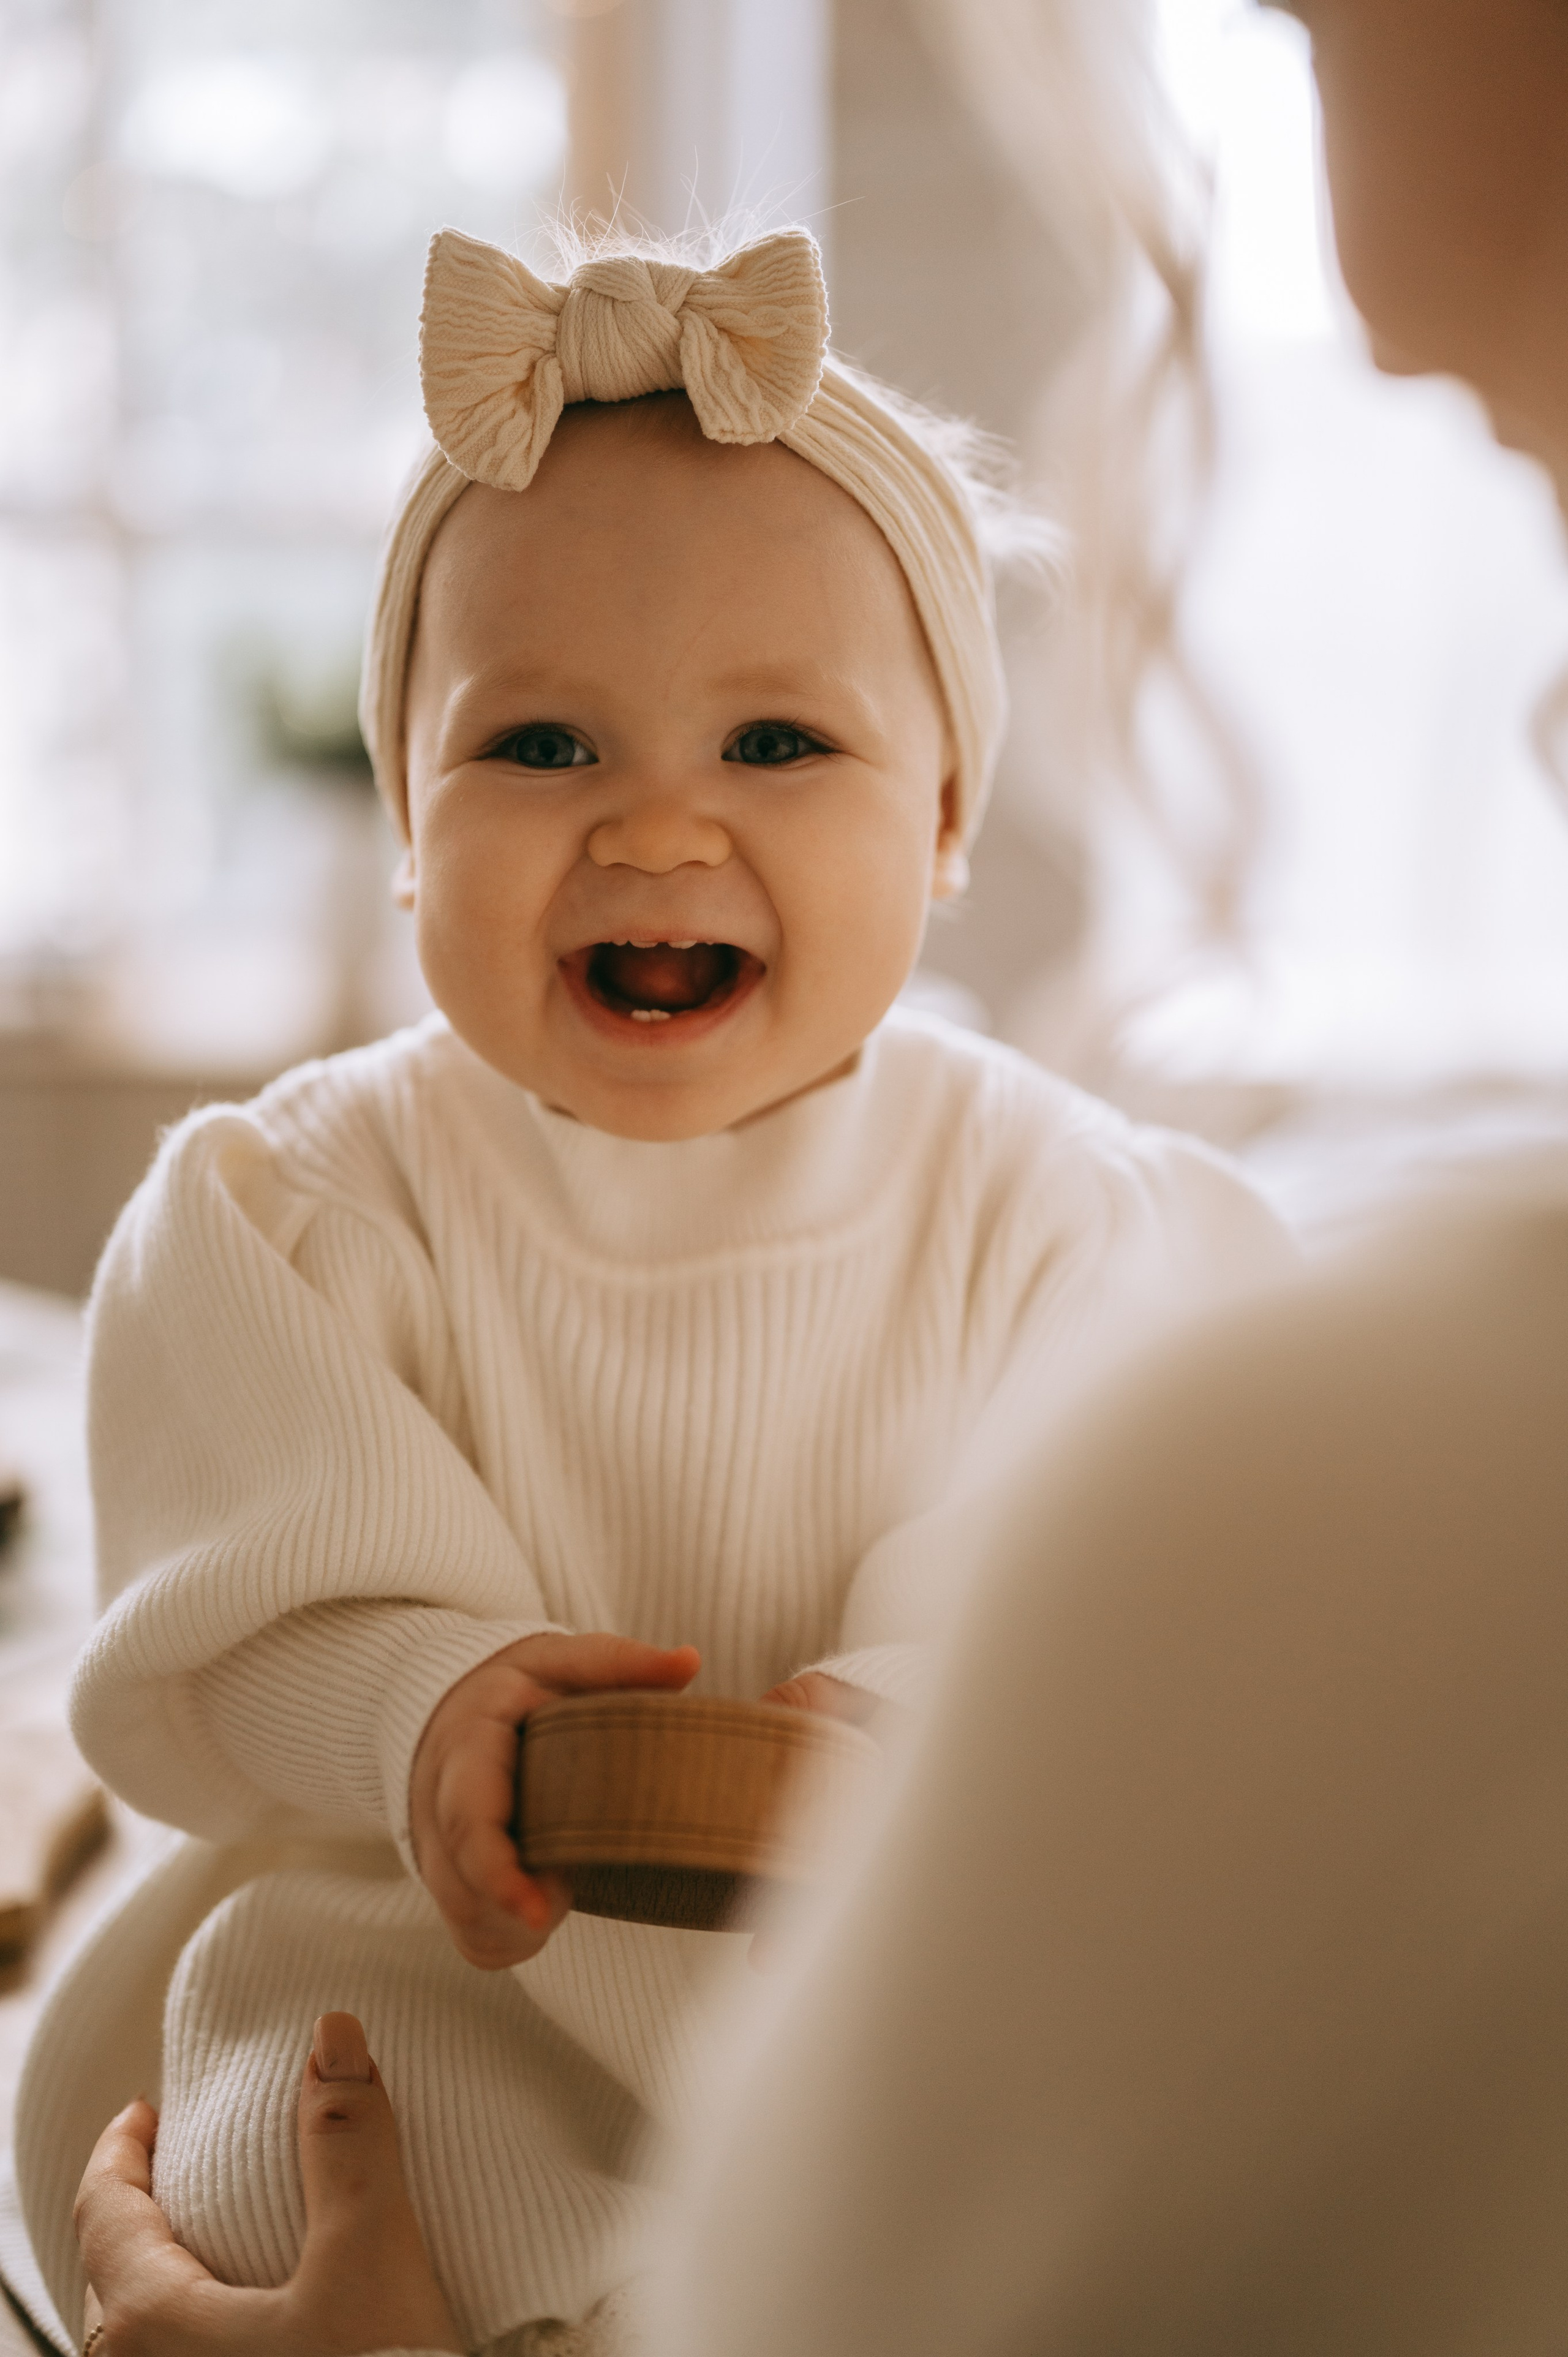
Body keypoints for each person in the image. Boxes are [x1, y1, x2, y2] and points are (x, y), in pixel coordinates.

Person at [62, 0, 1568, 2348]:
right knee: (298, 2108)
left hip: (886, 1951)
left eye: (781, 740)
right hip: (440, 1956)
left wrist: (917, 1702)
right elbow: (240, 1603)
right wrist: (421, 1710)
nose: (659, 823)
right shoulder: (291, 1208)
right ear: (403, 827)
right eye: (538, 745)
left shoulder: (1064, 1208)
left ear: (952, 823)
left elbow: (1103, 1601)